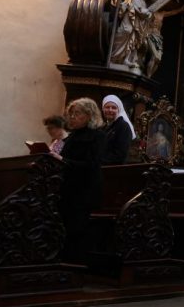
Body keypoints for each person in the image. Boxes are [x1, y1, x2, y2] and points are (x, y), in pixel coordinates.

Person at [58, 98, 106, 262]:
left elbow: (91, 165)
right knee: (64, 226)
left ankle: (74, 264)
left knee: (76, 229)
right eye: (70, 113)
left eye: (77, 113)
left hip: (84, 190)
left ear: (89, 115)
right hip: (68, 188)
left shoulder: (97, 136)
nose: (72, 117)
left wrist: (62, 160)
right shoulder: (72, 136)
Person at [100, 94, 135, 165]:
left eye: (114, 108)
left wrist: (96, 160)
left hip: (114, 168)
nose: (110, 110)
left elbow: (120, 155)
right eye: (107, 107)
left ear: (118, 110)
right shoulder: (104, 127)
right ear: (103, 109)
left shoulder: (123, 126)